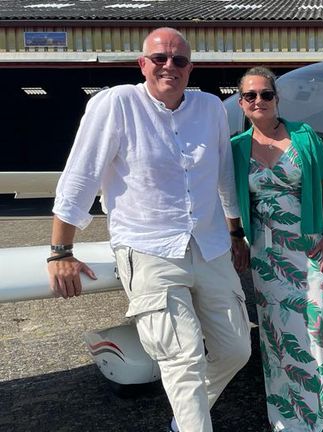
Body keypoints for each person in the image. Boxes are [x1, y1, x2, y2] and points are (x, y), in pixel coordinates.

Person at [47, 27, 251, 432]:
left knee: (236, 348)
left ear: (190, 68)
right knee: (183, 357)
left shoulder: (210, 108)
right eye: (159, 58)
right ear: (143, 64)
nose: (169, 66)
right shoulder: (117, 104)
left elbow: (224, 174)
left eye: (179, 60)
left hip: (208, 246)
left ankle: (185, 420)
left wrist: (234, 231)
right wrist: (61, 251)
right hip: (149, 249)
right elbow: (80, 177)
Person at [231, 67, 323, 431]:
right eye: (250, 96)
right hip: (266, 253)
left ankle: (322, 420)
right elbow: (225, 197)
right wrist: (235, 238)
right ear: (242, 102)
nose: (258, 101)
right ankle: (287, 423)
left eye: (265, 94)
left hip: (310, 248)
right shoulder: (236, 148)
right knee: (277, 338)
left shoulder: (305, 137)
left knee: (315, 328)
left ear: (277, 98)